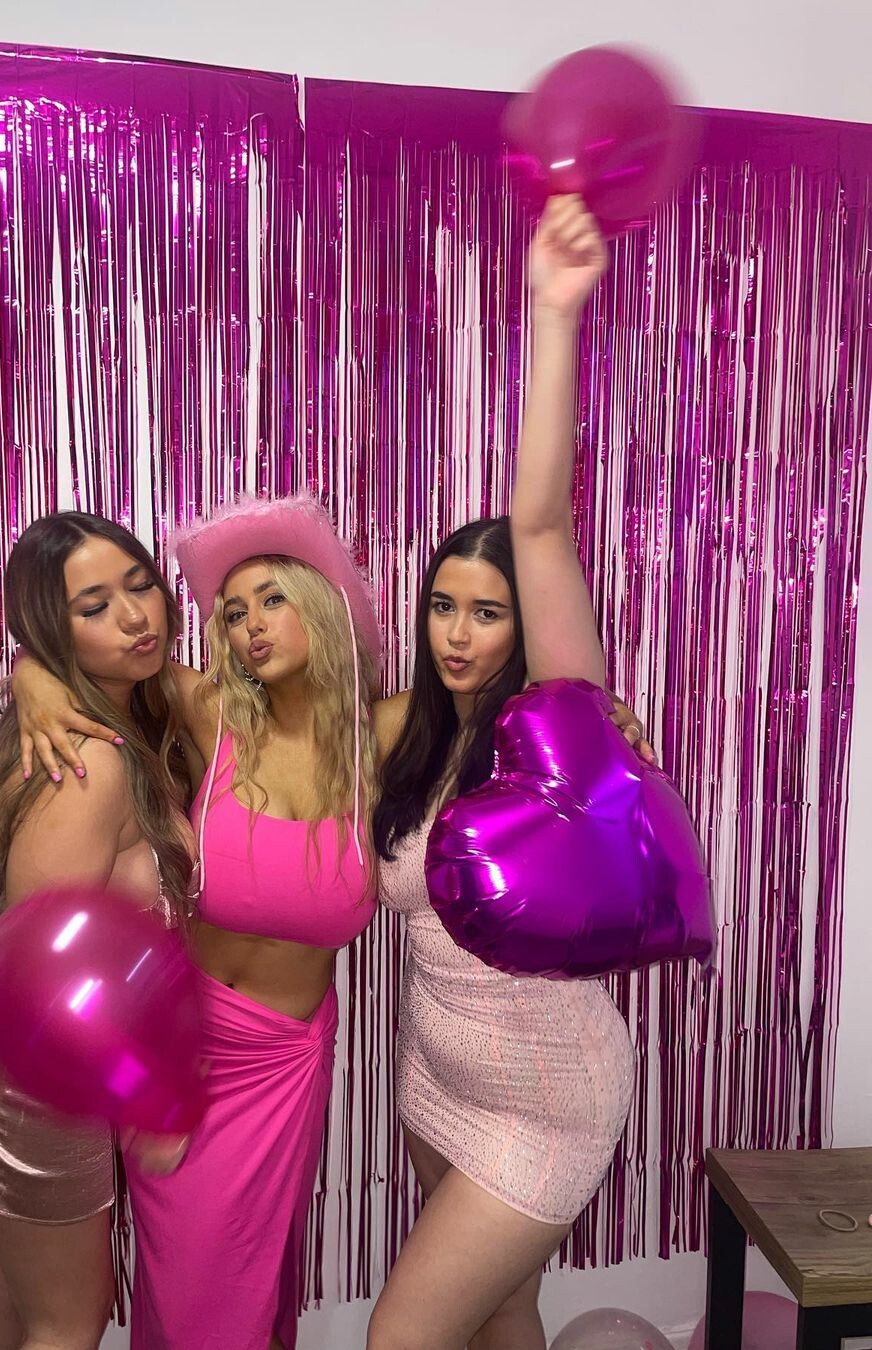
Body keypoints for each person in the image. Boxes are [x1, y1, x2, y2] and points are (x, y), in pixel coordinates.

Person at [10, 496, 382, 1349]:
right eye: (234, 612)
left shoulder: (382, 736)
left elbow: (489, 712)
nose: (251, 626)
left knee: (258, 1286)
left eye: (272, 600)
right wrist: (32, 676)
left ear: (320, 600)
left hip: (291, 1061)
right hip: (186, 1046)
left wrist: (603, 716)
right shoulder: (212, 713)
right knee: (193, 1299)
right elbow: (89, 663)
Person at [366, 195, 637, 1350]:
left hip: (547, 1096)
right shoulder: (408, 733)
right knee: (504, 1315)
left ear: (529, 626)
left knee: (400, 1338)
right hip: (438, 1072)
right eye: (444, 606)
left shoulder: (555, 736)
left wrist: (554, 314)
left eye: (488, 613)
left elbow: (542, 528)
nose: (459, 632)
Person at [0, 512, 194, 1350]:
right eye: (94, 606)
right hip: (21, 1058)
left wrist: (33, 671)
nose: (135, 617)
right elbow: (42, 967)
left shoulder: (98, 717)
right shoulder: (90, 760)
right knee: (68, 1319)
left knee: (12, 1311)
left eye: (141, 586)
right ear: (50, 630)